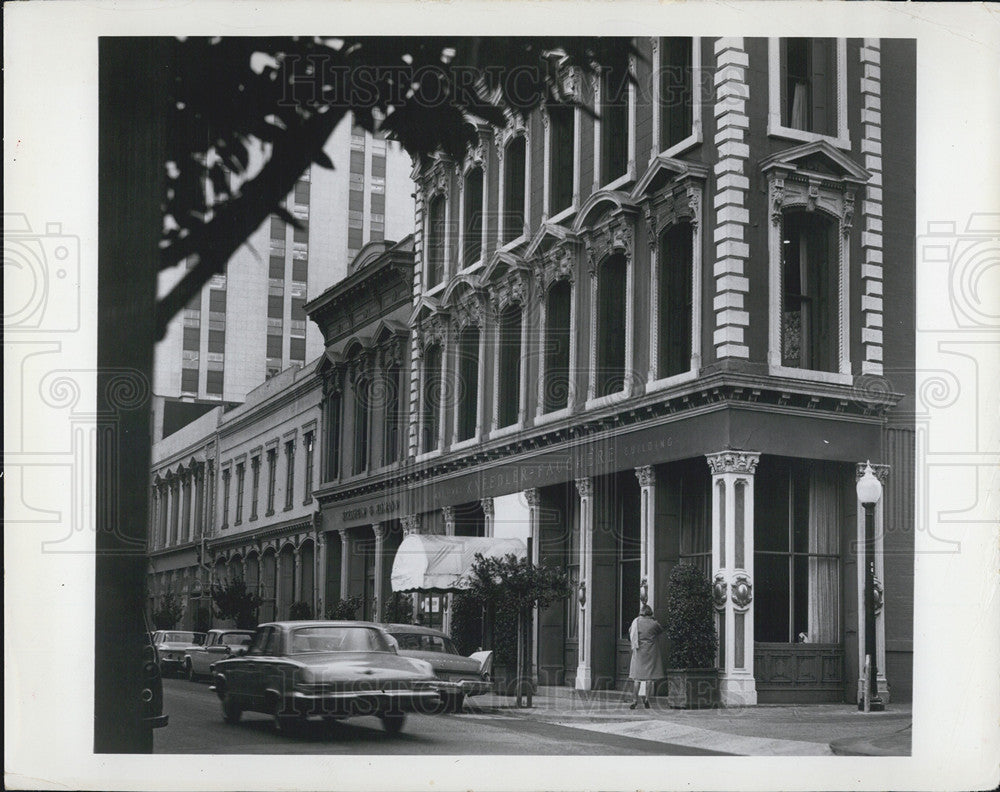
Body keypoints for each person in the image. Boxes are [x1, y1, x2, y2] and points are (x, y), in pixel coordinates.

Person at [627, 604, 664, 709]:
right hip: (650, 651)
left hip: (638, 651)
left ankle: (634, 700)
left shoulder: (636, 622)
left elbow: (630, 632)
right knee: (649, 678)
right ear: (650, 613)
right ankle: (647, 699)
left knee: (636, 678)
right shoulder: (653, 623)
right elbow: (660, 630)